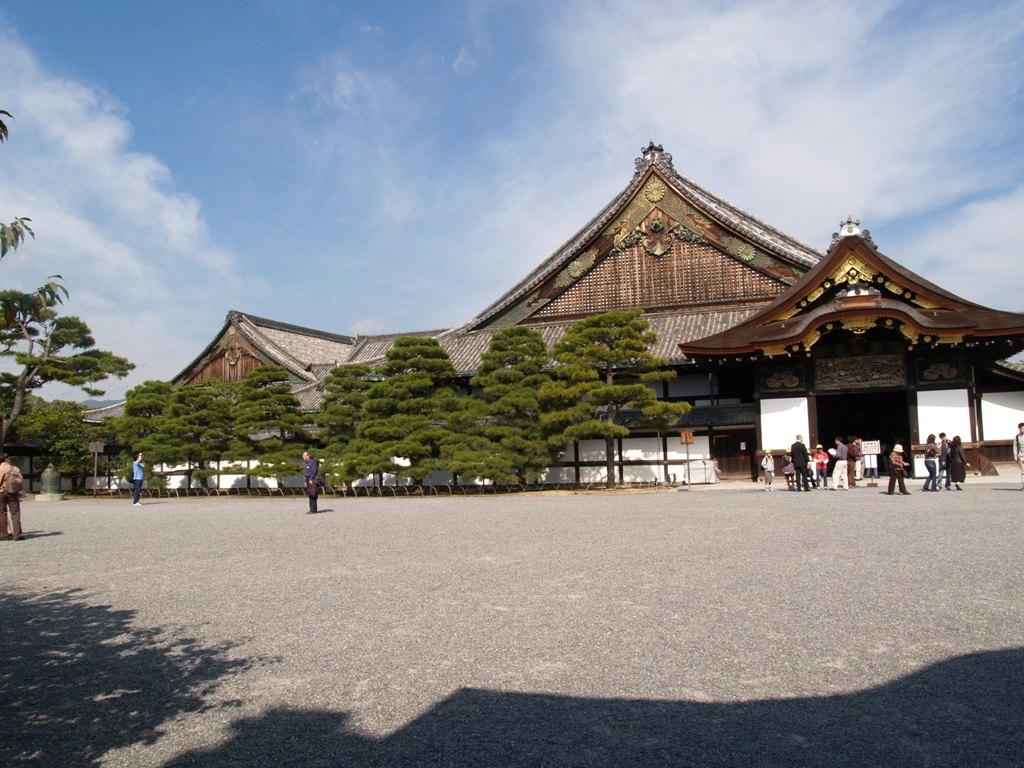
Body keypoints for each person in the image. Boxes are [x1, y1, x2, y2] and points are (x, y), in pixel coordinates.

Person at [0, 453, 24, 541]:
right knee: (15, 513)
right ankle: (17, 535)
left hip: (1, 492)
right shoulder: (14, 468)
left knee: (2, 514)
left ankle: (3, 535)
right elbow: (20, 480)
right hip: (12, 492)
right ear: (6, 459)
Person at [1014, 422, 1024, 490]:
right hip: (1021, 457)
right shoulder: (1017, 437)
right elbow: (1015, 447)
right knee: (1023, 472)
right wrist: (1015, 456)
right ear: (1019, 429)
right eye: (1023, 428)